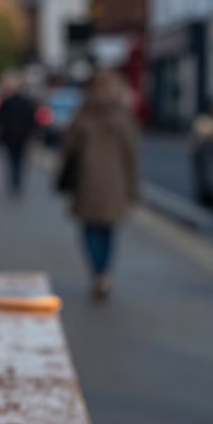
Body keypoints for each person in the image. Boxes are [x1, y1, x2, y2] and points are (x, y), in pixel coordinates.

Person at [61, 71, 139, 300]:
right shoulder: (123, 116)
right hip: (115, 184)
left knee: (89, 230)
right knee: (108, 231)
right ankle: (103, 272)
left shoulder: (83, 114)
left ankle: (96, 271)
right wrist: (133, 189)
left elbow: (68, 146)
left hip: (87, 182)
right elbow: (131, 156)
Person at [0, 72, 37, 196]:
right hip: (20, 137)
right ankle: (16, 182)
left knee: (13, 161)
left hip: (12, 136)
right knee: (18, 161)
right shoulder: (24, 102)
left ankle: (15, 182)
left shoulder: (7, 102)